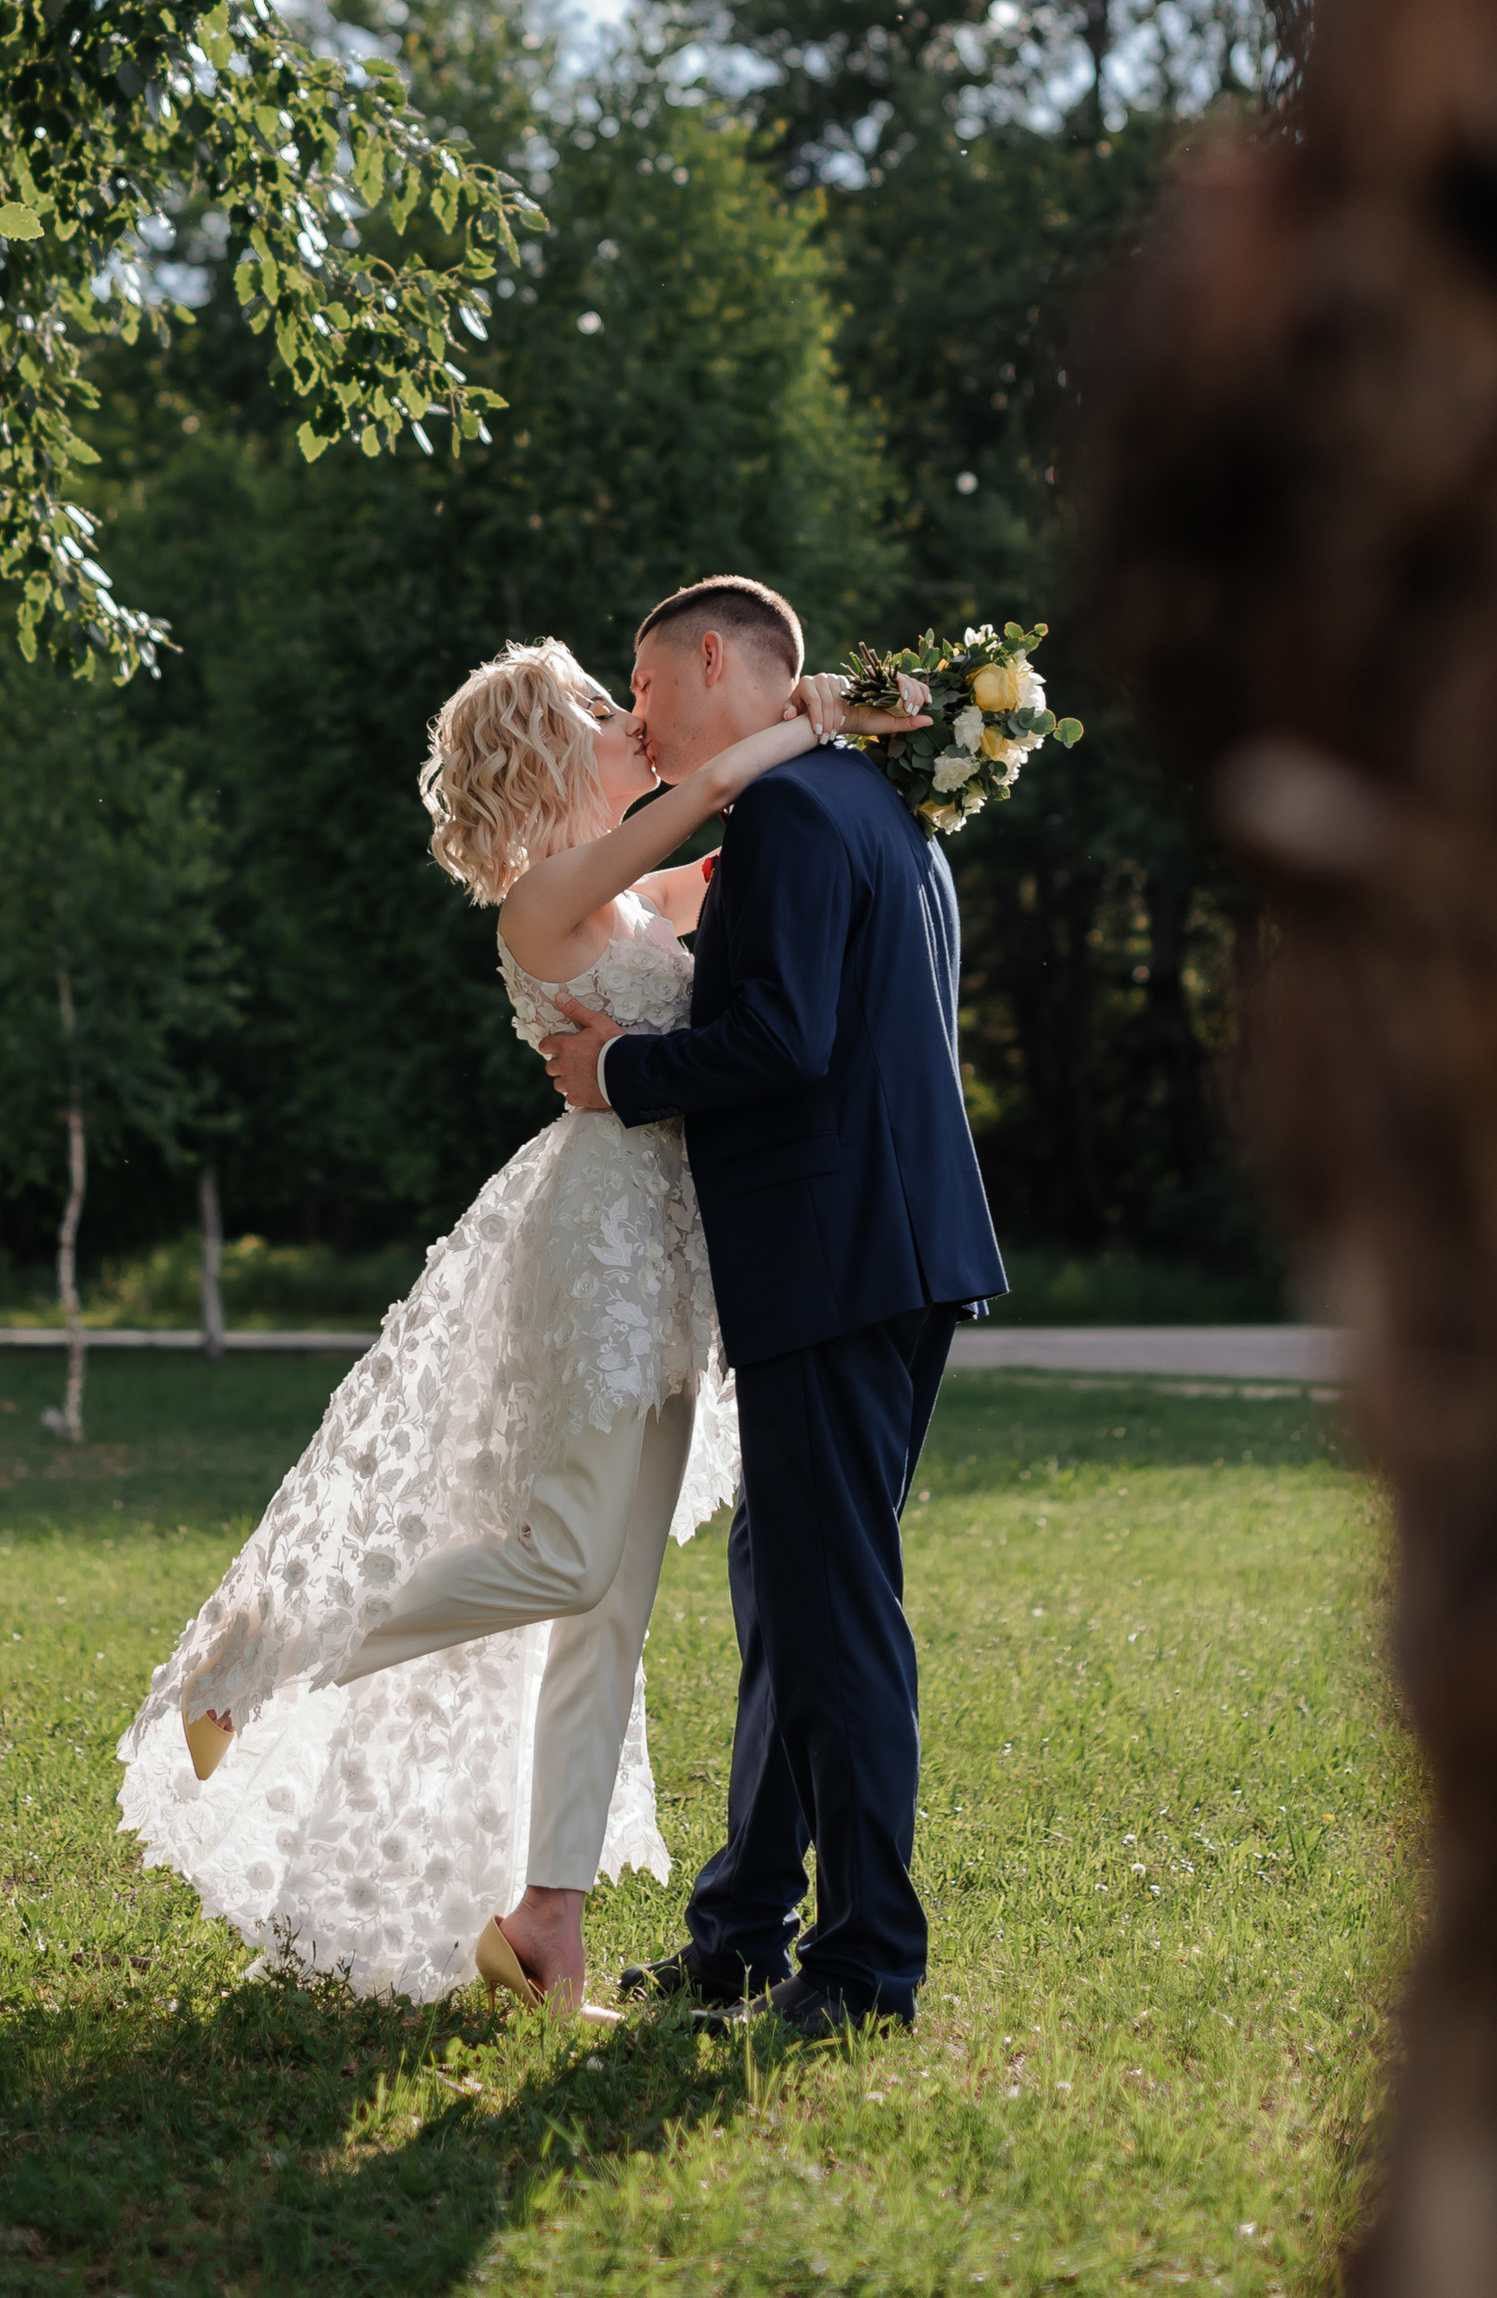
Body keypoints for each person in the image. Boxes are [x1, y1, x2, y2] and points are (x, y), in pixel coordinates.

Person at [114, 632, 903, 2007]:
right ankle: (263, 1654)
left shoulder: (629, 895)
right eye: (600, 704)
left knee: (612, 1611)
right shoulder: (546, 899)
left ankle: (547, 1932)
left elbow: (746, 865)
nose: (627, 718)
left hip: (675, 1253)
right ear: (544, 751)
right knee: (564, 1559)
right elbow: (715, 792)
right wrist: (816, 712)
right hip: (599, 1241)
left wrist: (895, 749)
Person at [539, 572, 1008, 2043]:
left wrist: (618, 1071)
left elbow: (785, 1039)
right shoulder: (874, 805)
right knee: (789, 1592)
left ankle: (866, 1963)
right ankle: (743, 1928)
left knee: (831, 1611)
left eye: (643, 681)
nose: (641, 713)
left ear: (714, 656)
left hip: (835, 1254)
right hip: (889, 1248)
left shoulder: (796, 815)